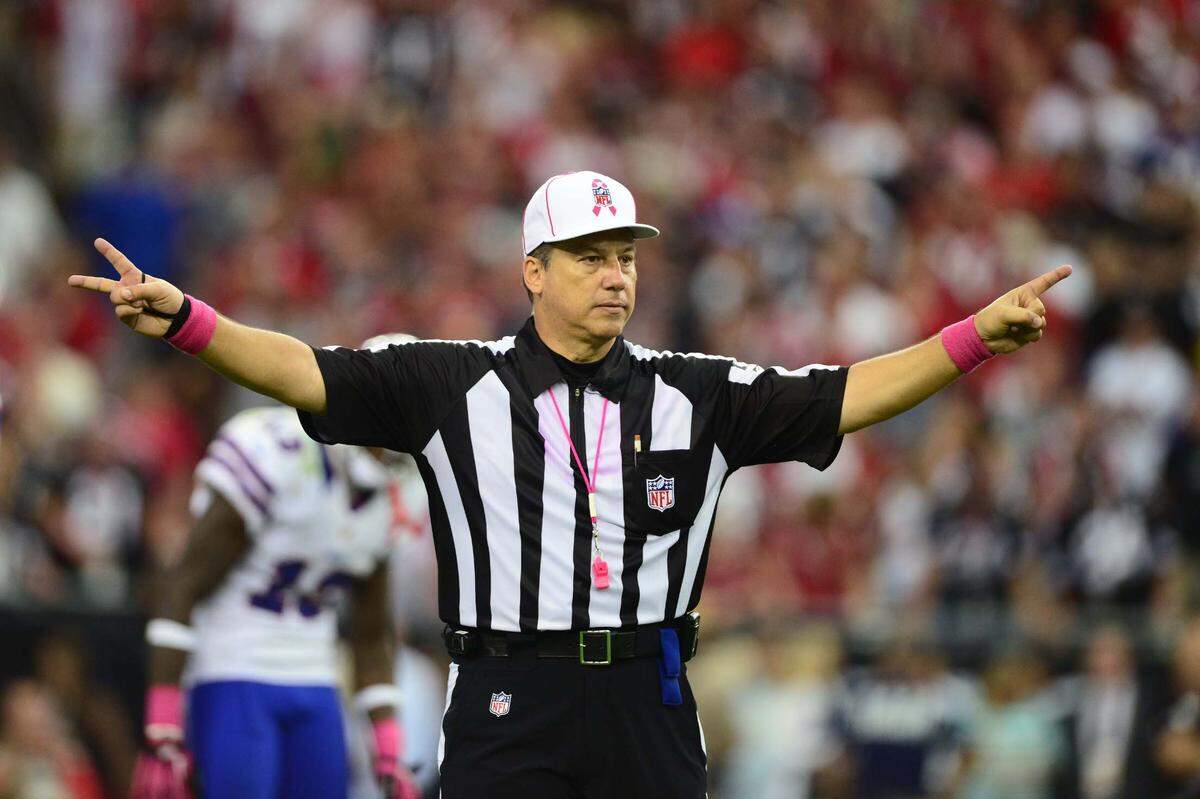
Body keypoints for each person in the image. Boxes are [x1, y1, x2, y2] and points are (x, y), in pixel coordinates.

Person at [70, 170, 1069, 798]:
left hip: (647, 690)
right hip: (509, 689)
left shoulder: (695, 391)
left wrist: (974, 337)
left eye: (624, 257)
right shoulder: (451, 382)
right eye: (589, 257)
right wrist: (189, 322)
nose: (616, 275)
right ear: (534, 271)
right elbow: (305, 370)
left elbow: (845, 393)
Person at [129, 342, 421, 799]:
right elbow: (183, 582)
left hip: (316, 676)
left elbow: (370, 631)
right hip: (235, 664)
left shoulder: (396, 492)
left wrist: (388, 748)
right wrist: (162, 721)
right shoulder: (274, 451)